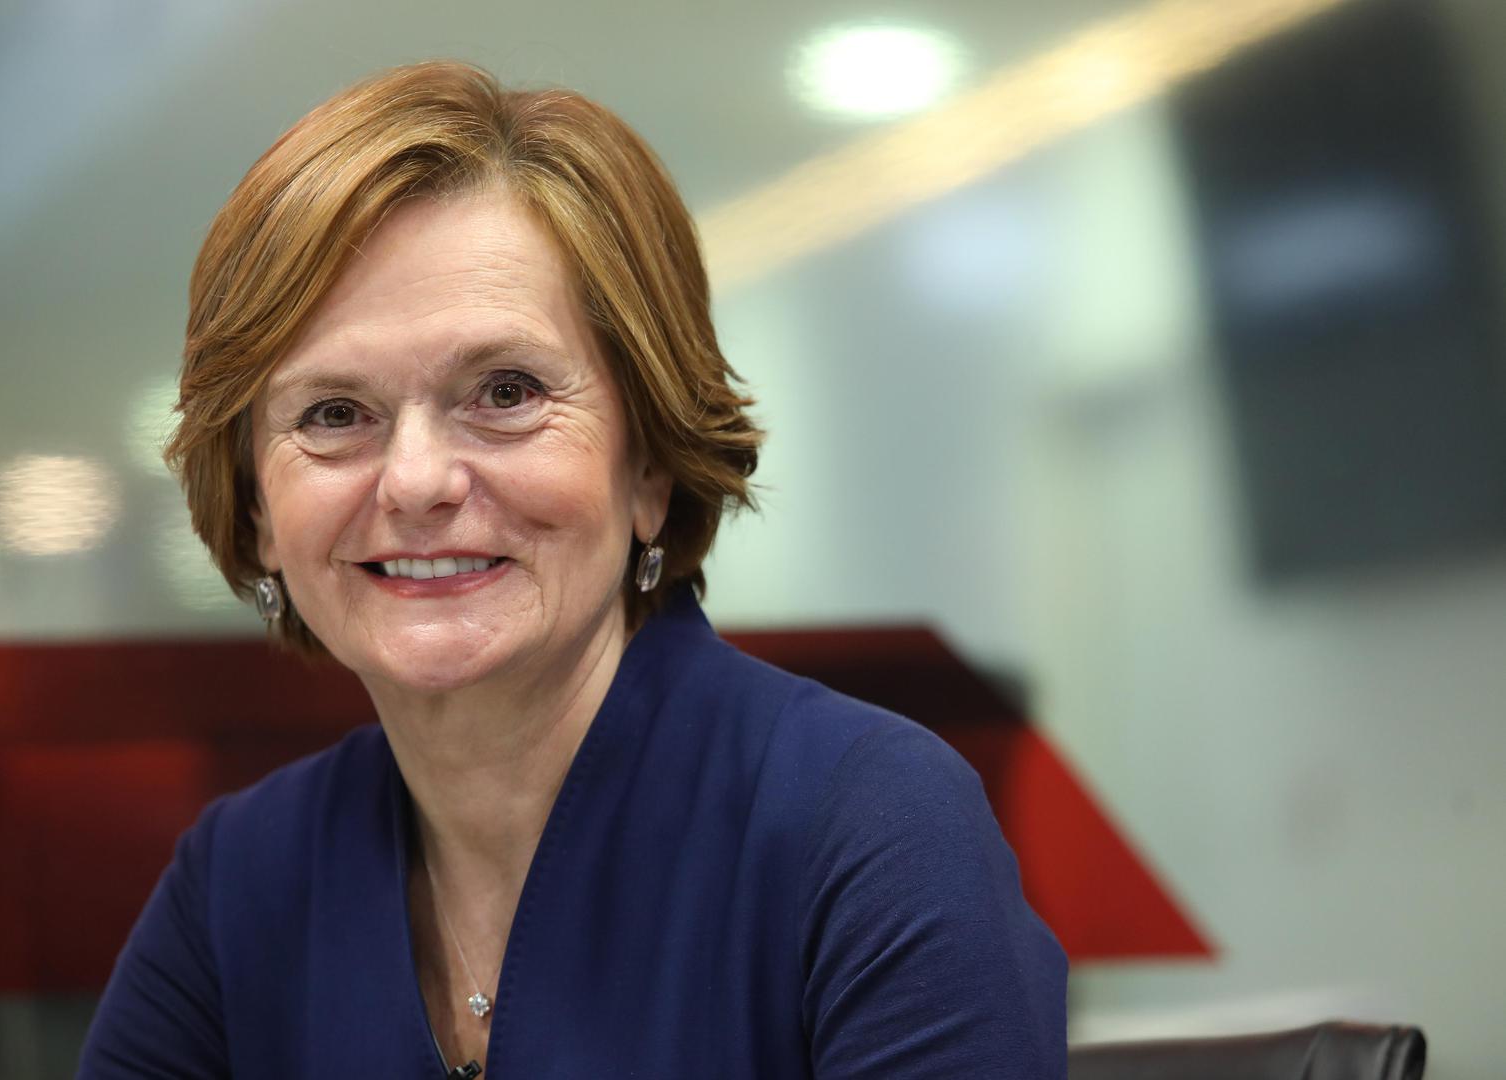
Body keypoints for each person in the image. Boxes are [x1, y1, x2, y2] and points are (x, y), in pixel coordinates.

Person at [78, 61, 1067, 1078]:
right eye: (334, 414)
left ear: (647, 467)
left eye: (504, 392)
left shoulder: (868, 824)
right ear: (255, 509)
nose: (415, 482)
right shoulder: (240, 881)